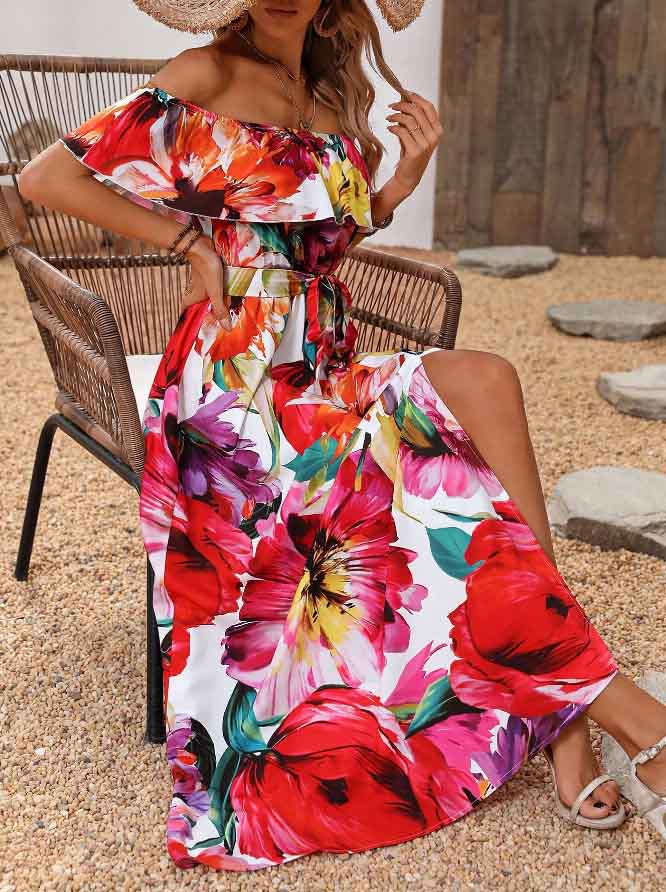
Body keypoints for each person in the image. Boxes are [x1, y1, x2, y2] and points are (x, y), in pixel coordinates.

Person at [18, 0, 666, 871]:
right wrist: (189, 244)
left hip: (324, 364)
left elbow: (322, 243)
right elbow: (45, 180)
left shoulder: (327, 96)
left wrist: (401, 180)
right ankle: (600, 721)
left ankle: (564, 702)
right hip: (237, 388)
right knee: (419, 485)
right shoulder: (209, 73)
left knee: (487, 382)